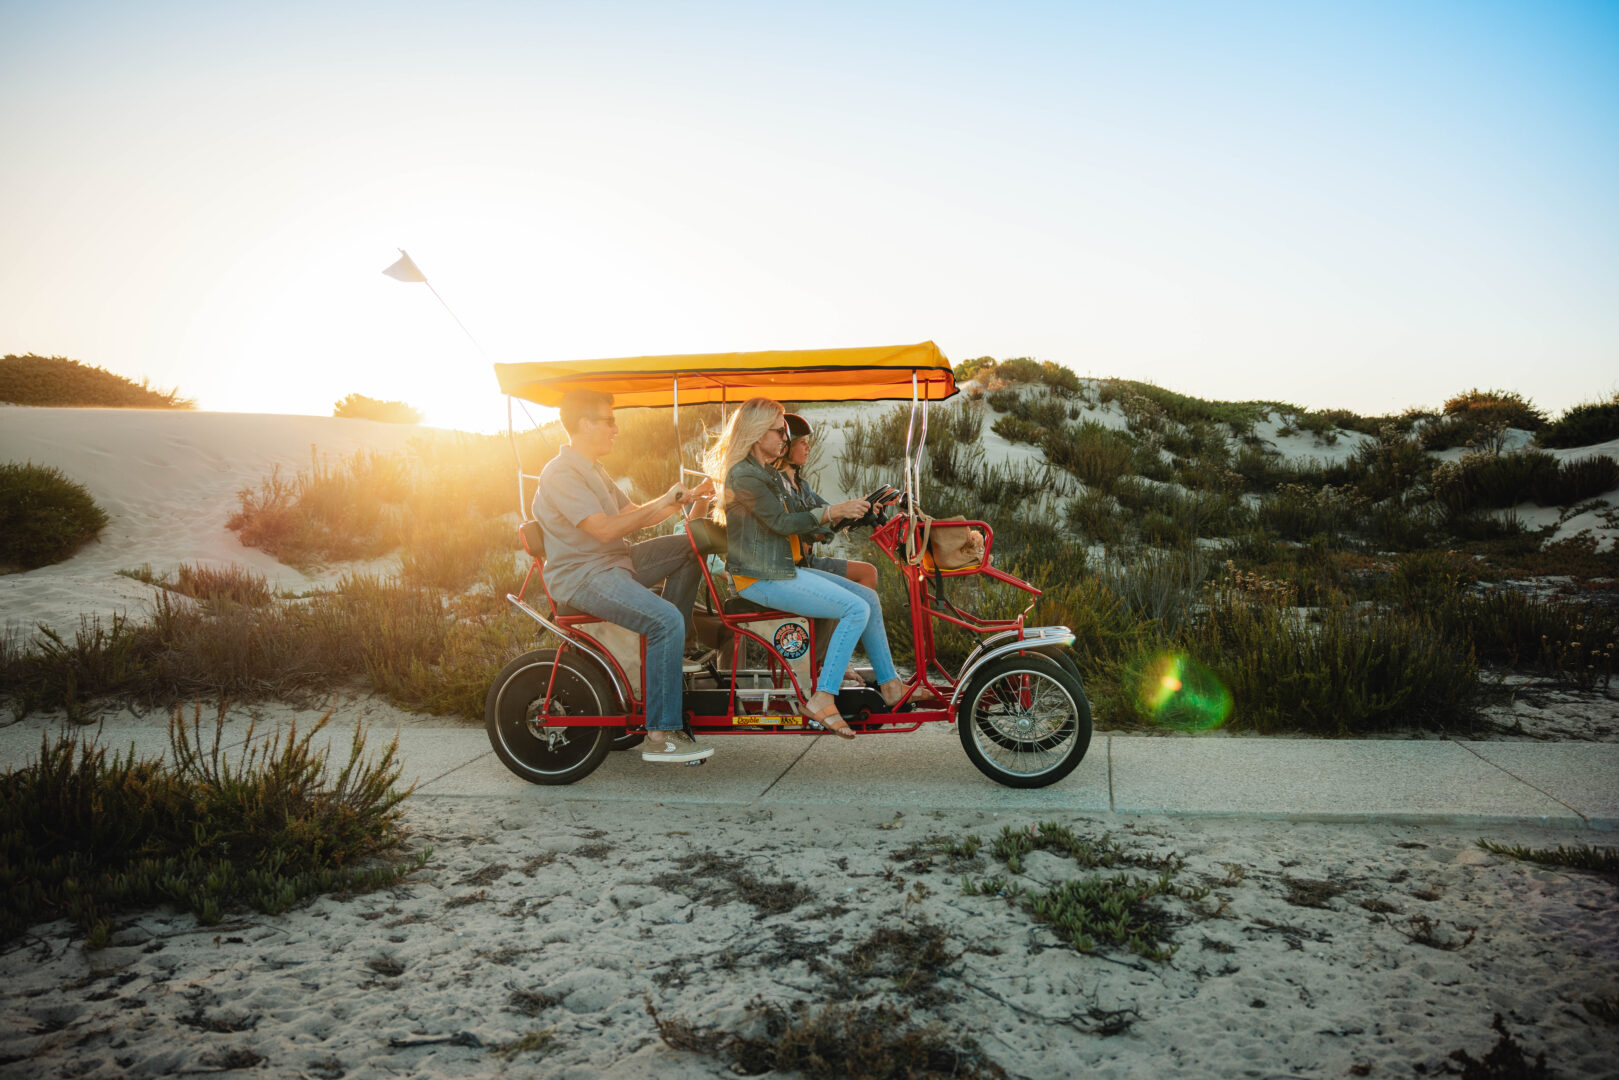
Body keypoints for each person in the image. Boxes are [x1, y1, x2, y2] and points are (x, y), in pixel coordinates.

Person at [705, 397, 907, 738]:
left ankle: (890, 686)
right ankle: (823, 697)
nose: (785, 437)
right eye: (779, 430)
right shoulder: (744, 476)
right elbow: (783, 522)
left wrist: (846, 512)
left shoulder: (769, 474)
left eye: (785, 431)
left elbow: (807, 516)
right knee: (854, 609)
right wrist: (834, 512)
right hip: (759, 578)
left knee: (867, 599)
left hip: (780, 570)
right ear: (756, 434)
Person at [534, 388, 716, 764]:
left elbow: (636, 514)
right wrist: (665, 500)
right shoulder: (561, 474)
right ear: (584, 424)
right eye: (609, 421)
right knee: (663, 621)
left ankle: (669, 650)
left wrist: (690, 501)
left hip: (616, 561)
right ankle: (659, 736)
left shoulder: (593, 468)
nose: (616, 429)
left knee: (690, 546)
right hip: (585, 575)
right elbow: (603, 529)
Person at [774, 412, 886, 680]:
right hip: (793, 566)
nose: (808, 447)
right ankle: (830, 661)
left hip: (806, 561)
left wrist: (862, 507)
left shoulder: (801, 484)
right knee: (852, 588)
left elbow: (828, 511)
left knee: (867, 573)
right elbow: (808, 521)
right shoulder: (777, 484)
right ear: (786, 446)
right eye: (802, 442)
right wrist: (823, 525)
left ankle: (836, 656)